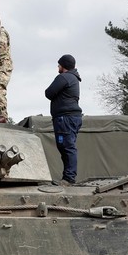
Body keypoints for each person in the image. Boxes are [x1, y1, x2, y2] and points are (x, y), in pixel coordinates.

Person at [44, 54, 82, 185]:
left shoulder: (64, 77)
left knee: (67, 147)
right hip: (70, 117)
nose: (58, 67)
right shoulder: (74, 78)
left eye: (59, 64)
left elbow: (49, 93)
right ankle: (68, 177)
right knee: (65, 146)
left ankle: (69, 178)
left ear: (63, 65)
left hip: (65, 118)